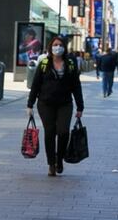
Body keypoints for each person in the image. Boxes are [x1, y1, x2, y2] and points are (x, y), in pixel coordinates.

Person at [27, 36, 84, 177]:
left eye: (60, 45)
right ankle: (51, 163)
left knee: (64, 132)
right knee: (50, 132)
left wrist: (80, 106)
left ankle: (60, 159)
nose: (57, 47)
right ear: (50, 47)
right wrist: (30, 104)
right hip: (45, 103)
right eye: (55, 44)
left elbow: (76, 85)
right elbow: (35, 85)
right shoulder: (44, 63)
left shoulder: (70, 63)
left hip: (65, 103)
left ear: (64, 47)